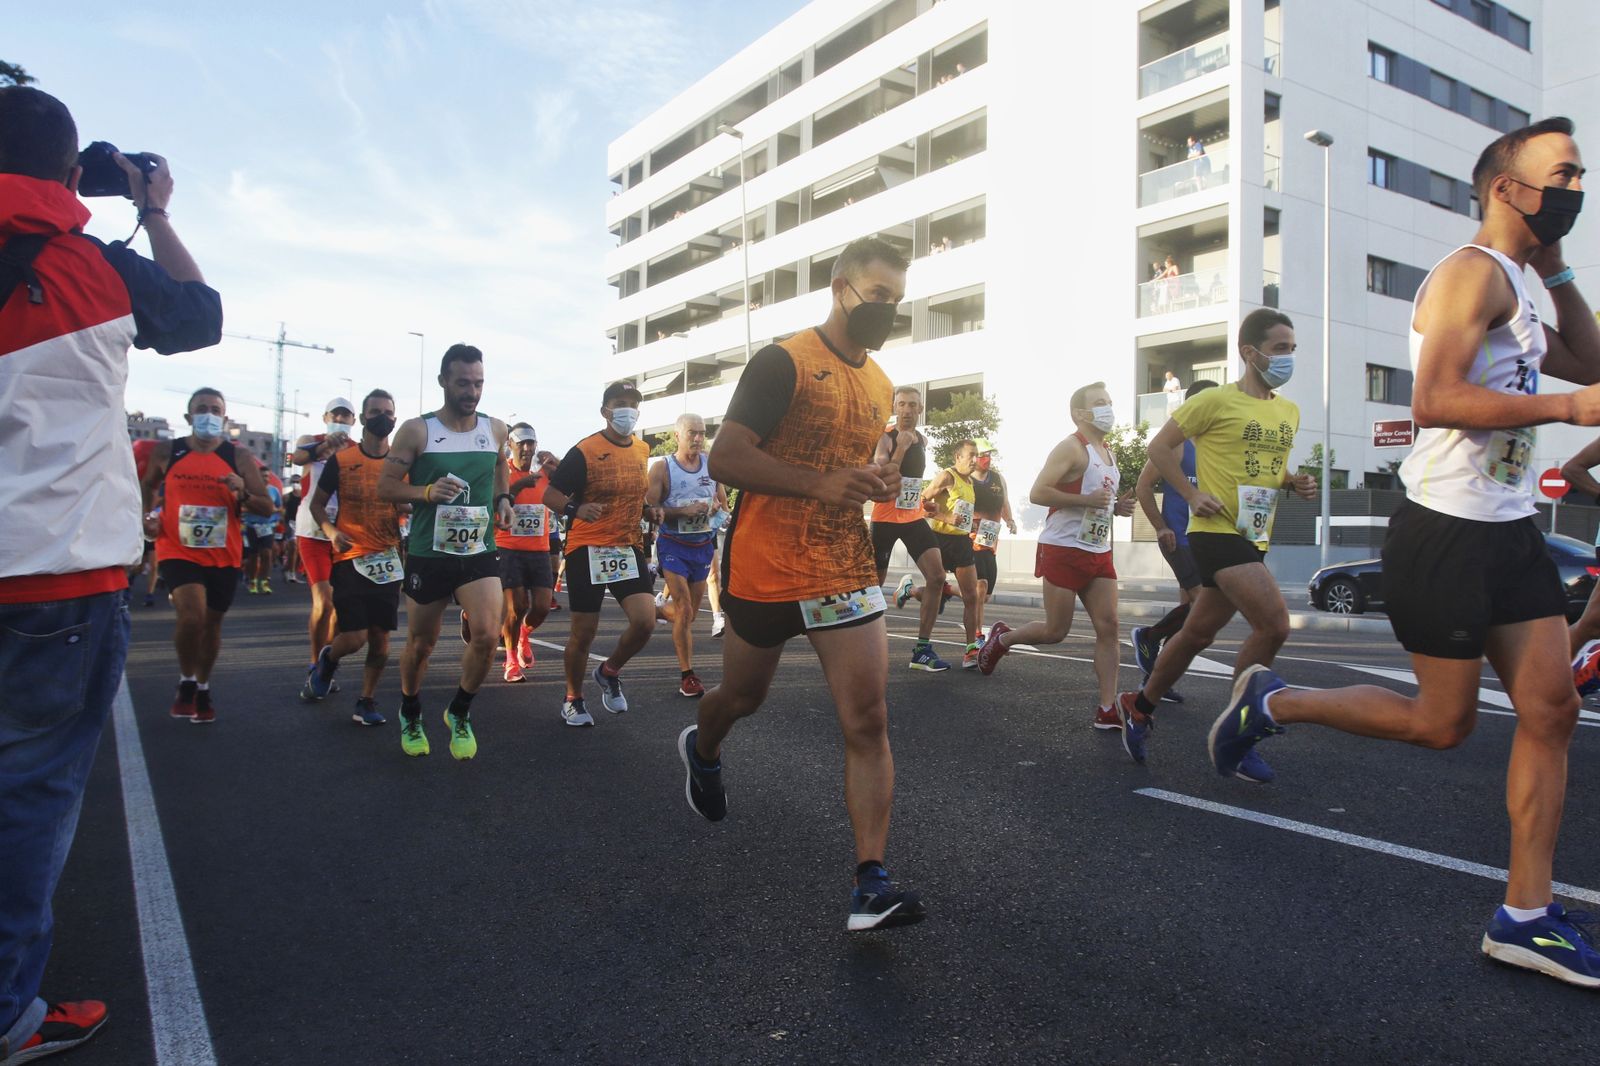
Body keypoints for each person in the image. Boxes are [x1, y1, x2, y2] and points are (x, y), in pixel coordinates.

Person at [1207, 119, 1600, 986]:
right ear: (1508, 187)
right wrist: (1568, 414)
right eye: (1564, 174)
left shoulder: (1523, 286)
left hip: (1508, 527)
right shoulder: (1469, 274)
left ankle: (1523, 917)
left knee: (1552, 710)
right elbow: (1435, 398)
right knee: (1442, 723)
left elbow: (1594, 357)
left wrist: (1561, 267)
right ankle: (1275, 700)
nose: (1577, 187)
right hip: (1448, 529)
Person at [0, 85, 222, 1062]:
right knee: (31, 793)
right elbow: (203, 315)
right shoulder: (96, 265)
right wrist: (154, 204)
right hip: (58, 580)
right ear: (67, 172)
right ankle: (10, 1008)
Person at [679, 236, 925, 931]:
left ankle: (870, 884)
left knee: (868, 719)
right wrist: (818, 481)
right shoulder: (782, 361)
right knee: (742, 697)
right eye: (878, 297)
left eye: (896, 303)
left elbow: (848, 469)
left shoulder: (879, 383)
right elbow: (727, 456)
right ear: (840, 286)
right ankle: (703, 749)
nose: (886, 311)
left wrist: (871, 477)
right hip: (764, 566)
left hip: (843, 566)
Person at [1112, 309, 1316, 778]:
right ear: (1250, 352)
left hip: (1253, 534)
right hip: (1214, 533)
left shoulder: (1288, 410)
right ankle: (1240, 732)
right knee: (1275, 624)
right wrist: (1190, 493)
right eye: (1280, 348)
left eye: (1292, 349)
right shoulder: (1215, 401)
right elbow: (1158, 449)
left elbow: (1264, 467)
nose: (1288, 357)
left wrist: (1292, 483)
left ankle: (1139, 706)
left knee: (1197, 634)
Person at [378, 344, 513, 760]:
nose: (472, 392)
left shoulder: (495, 429)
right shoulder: (417, 431)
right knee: (422, 643)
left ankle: (459, 710)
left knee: (490, 634)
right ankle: (411, 709)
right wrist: (424, 492)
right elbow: (384, 486)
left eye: (478, 383)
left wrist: (503, 499)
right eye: (462, 383)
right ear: (443, 382)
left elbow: (499, 465)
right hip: (428, 552)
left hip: (478, 549)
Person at [977, 384, 1134, 725]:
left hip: (1098, 549)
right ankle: (1003, 639)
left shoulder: (1108, 452)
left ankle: (1107, 708)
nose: (1108, 408)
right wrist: (1085, 501)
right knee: (1055, 631)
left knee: (1109, 626)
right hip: (1063, 548)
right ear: (1080, 413)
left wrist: (1117, 507)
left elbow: (1098, 500)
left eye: (1109, 401)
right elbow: (1038, 492)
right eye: (1099, 403)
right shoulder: (1071, 448)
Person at [142, 389, 274, 724]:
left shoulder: (239, 457)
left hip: (223, 552)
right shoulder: (168, 451)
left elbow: (266, 506)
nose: (209, 414)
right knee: (192, 616)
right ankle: (187, 681)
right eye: (202, 409)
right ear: (188, 418)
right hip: (177, 546)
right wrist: (149, 516)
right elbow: (147, 486)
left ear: (225, 418)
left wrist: (241, 490)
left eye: (216, 410)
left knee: (212, 624)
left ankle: (203, 685)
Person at [543, 382, 660, 726]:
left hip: (627, 547)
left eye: (633, 404)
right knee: (584, 632)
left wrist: (648, 510)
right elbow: (550, 495)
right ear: (605, 411)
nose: (628, 410)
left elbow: (635, 495)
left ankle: (609, 672)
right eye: (620, 404)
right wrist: (576, 509)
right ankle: (573, 698)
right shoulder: (585, 450)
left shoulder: (642, 449)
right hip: (587, 550)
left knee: (645, 621)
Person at [300, 390, 405, 725]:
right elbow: (317, 504)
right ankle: (328, 659)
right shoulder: (342, 461)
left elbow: (410, 500)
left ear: (395, 418)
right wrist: (331, 532)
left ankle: (366, 701)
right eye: (375, 412)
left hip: (388, 558)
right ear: (362, 418)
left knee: (381, 641)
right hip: (351, 556)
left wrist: (412, 502)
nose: (382, 418)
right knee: (355, 636)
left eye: (388, 412)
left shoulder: (402, 464)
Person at [1130, 378, 1220, 704]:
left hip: (1209, 540)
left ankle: (1156, 678)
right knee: (1202, 607)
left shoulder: (1217, 446)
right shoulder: (1178, 444)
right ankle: (1148, 636)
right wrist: (1159, 528)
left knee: (1191, 617)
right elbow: (1143, 487)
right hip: (1179, 538)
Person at [647, 413, 726, 697]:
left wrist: (716, 510)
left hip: (702, 546)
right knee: (683, 608)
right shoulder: (662, 468)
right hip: (673, 546)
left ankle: (655, 611)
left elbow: (723, 505)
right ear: (677, 435)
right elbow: (649, 510)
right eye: (692, 432)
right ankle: (688, 674)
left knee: (688, 614)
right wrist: (681, 511)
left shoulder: (712, 465)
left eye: (701, 433)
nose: (697, 438)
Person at [872, 388, 951, 671]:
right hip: (884, 519)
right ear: (894, 407)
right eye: (901, 404)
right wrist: (901, 447)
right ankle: (862, 647)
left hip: (913, 517)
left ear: (920, 409)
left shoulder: (923, 439)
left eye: (912, 405)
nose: (906, 410)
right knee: (873, 587)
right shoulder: (885, 436)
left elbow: (912, 481)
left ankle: (921, 650)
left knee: (937, 577)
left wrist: (923, 503)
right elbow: (882, 475)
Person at [291, 398, 357, 672]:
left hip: (345, 534)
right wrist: (325, 446)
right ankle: (314, 661)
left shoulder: (357, 450)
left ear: (354, 421)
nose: (340, 420)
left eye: (345, 417)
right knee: (324, 601)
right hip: (313, 532)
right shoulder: (311, 440)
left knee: (341, 608)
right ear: (325, 416)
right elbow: (297, 458)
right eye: (335, 415)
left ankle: (327, 660)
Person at [497, 424, 556, 683]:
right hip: (508, 547)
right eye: (520, 443)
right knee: (517, 606)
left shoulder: (543, 472)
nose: (526, 448)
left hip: (539, 548)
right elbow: (496, 502)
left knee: (542, 607)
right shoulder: (503, 471)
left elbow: (572, 483)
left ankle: (523, 634)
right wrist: (519, 486)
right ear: (510, 444)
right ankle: (510, 660)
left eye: (530, 442)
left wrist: (558, 462)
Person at [920, 440, 985, 668]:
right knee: (935, 589)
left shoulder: (970, 482)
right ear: (957, 457)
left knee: (971, 596)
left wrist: (971, 526)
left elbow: (962, 516)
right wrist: (946, 519)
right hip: (939, 541)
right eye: (971, 455)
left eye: (977, 455)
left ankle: (970, 651)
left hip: (961, 543)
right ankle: (921, 648)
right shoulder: (947, 476)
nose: (975, 460)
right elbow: (920, 502)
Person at [967, 438, 1016, 633]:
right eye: (983, 455)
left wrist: (1010, 520)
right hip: (970, 540)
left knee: (984, 594)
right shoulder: (966, 479)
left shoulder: (997, 478)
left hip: (990, 540)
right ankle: (978, 634)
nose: (987, 459)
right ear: (974, 457)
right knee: (981, 586)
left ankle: (942, 590)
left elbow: (1004, 501)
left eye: (989, 455)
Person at [242, 456, 283, 595]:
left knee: (267, 554)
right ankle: (252, 580)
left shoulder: (273, 491)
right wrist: (258, 508)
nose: (265, 478)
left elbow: (279, 507)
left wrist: (273, 512)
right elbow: (241, 508)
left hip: (267, 527)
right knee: (253, 556)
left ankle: (264, 581)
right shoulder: (249, 491)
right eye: (262, 476)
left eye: (267, 476)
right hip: (252, 526)